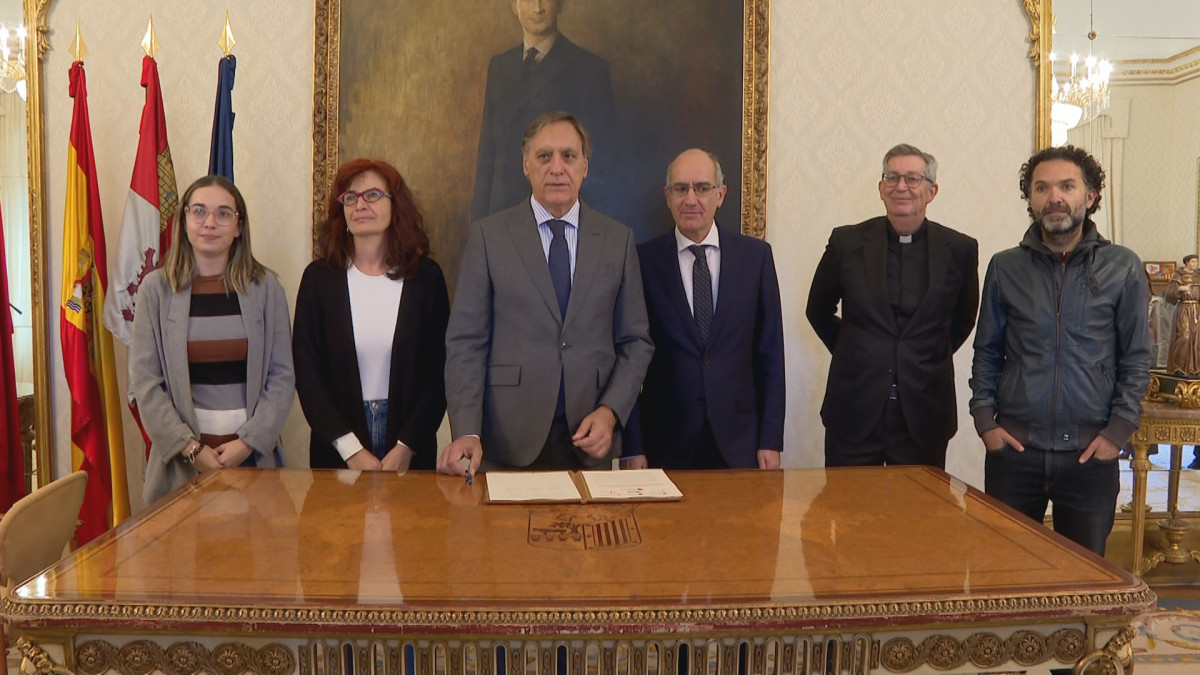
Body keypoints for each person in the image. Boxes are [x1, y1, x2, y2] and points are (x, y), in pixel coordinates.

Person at [440, 111, 653, 476]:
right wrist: (467, 431)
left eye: (568, 156)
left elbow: (636, 342)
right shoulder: (489, 237)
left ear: (585, 166)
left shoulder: (618, 240)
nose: (557, 168)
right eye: (544, 156)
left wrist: (611, 413)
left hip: (590, 440)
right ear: (526, 165)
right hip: (506, 442)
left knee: (589, 535)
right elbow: (466, 342)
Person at [970, 145, 1151, 556]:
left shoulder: (1122, 267)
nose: (1055, 197)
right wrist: (985, 422)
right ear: (1030, 199)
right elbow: (987, 351)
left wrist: (1116, 434)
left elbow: (1137, 357)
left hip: (1090, 457)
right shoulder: (1005, 266)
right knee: (1007, 574)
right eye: (1042, 187)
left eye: (1067, 186)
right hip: (1014, 454)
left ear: (1088, 197)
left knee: (1083, 579)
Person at [806, 144, 979, 469]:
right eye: (893, 177)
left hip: (924, 410)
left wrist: (922, 355)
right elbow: (818, 310)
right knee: (848, 513)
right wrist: (854, 350)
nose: (902, 187)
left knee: (917, 516)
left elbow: (963, 319)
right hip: (854, 408)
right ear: (881, 188)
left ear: (932, 190)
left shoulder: (959, 249)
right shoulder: (847, 243)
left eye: (913, 179)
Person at [132, 176, 294, 505]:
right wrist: (192, 451)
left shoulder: (266, 289)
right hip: (181, 467)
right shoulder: (155, 290)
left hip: (252, 463)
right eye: (199, 211)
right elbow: (145, 384)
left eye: (223, 213)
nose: (210, 222)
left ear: (238, 226)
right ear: (184, 221)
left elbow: (282, 377)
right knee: (179, 556)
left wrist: (247, 443)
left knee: (256, 556)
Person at [623, 149, 784, 470]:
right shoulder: (642, 261)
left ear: (721, 195)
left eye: (702, 188)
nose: (691, 199)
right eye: (681, 189)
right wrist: (632, 446)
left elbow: (770, 353)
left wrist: (770, 439)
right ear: (668, 197)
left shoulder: (755, 258)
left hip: (740, 442)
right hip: (665, 443)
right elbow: (628, 357)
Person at [293, 159, 449, 472]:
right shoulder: (319, 279)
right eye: (351, 198)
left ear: (396, 206)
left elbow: (440, 371)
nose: (361, 204)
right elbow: (308, 373)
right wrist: (350, 450)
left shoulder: (426, 279)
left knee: (411, 523)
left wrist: (407, 446)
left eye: (373, 195)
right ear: (342, 213)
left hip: (409, 446)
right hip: (337, 447)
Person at [472, 0, 618, 221]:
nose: (538, 7)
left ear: (560, 5)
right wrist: (478, 225)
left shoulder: (590, 69)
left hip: (560, 216)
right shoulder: (500, 66)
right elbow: (487, 155)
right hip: (503, 213)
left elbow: (601, 165)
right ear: (514, 5)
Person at [1166, 254, 1200, 375]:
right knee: (1184, 337)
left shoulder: (1198, 276)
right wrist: (1181, 289)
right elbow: (1169, 295)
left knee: (1196, 338)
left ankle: (1194, 368)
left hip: (1196, 309)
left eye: (1196, 262)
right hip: (1183, 309)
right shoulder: (1178, 275)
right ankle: (1179, 366)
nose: (1195, 264)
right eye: (1193, 262)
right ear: (1187, 262)